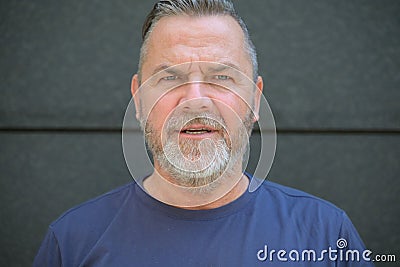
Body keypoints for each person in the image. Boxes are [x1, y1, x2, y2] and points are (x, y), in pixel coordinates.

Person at [33, 0, 374, 266]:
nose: (195, 100)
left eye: (221, 77)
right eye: (169, 78)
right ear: (137, 99)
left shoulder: (326, 235)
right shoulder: (72, 241)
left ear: (255, 99)